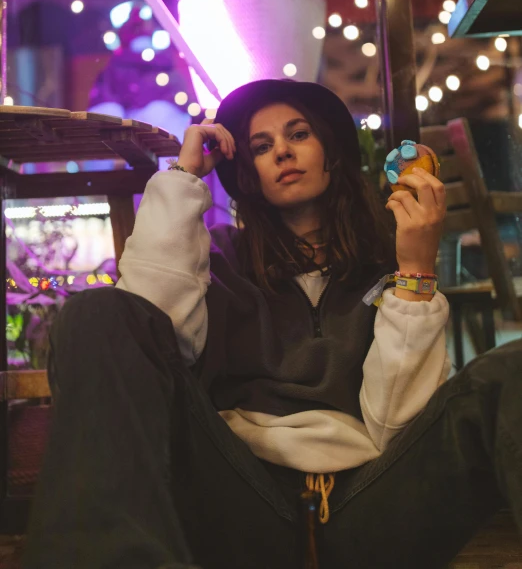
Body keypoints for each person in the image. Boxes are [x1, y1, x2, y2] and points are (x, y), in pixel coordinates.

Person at [23, 80, 522, 569]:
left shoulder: (383, 267)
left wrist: (414, 272)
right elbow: (148, 334)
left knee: (511, 369)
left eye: (299, 134)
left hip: (370, 507)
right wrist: (183, 177)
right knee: (97, 312)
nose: (283, 151)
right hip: (238, 500)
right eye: (262, 146)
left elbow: (396, 427)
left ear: (329, 151)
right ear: (246, 173)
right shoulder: (217, 259)